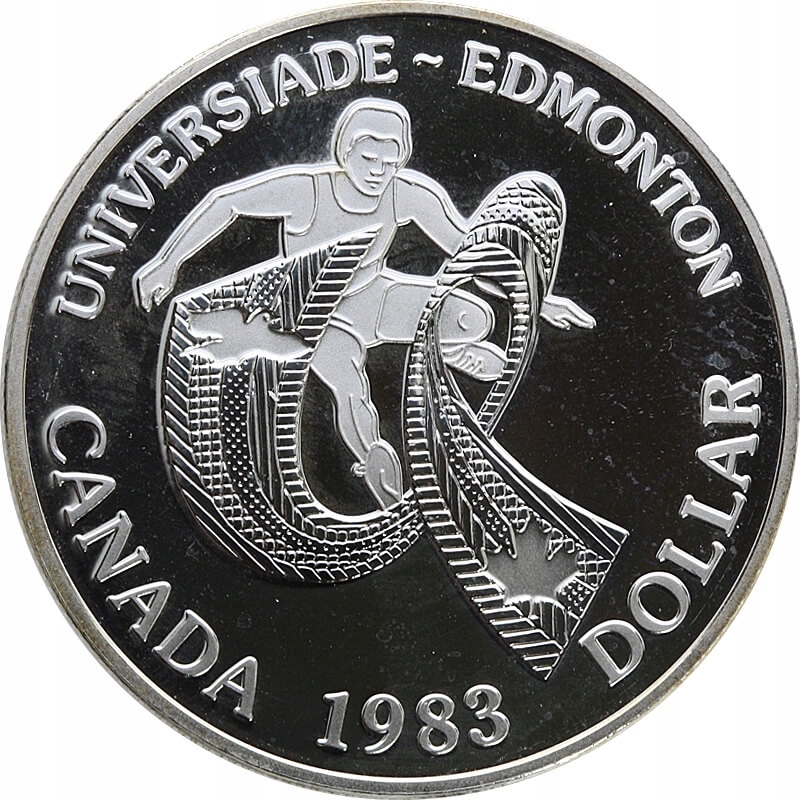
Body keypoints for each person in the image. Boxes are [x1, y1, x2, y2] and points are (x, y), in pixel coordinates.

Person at [133, 98, 594, 508]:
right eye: (368, 158)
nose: (378, 171)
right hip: (320, 316)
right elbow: (224, 202)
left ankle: (446, 346)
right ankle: (373, 459)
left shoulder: (406, 194)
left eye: (389, 162)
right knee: (348, 386)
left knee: (472, 317)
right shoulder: (308, 191)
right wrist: (166, 263)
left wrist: (538, 301)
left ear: (401, 161)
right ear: (344, 152)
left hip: (376, 297)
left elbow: (467, 248)